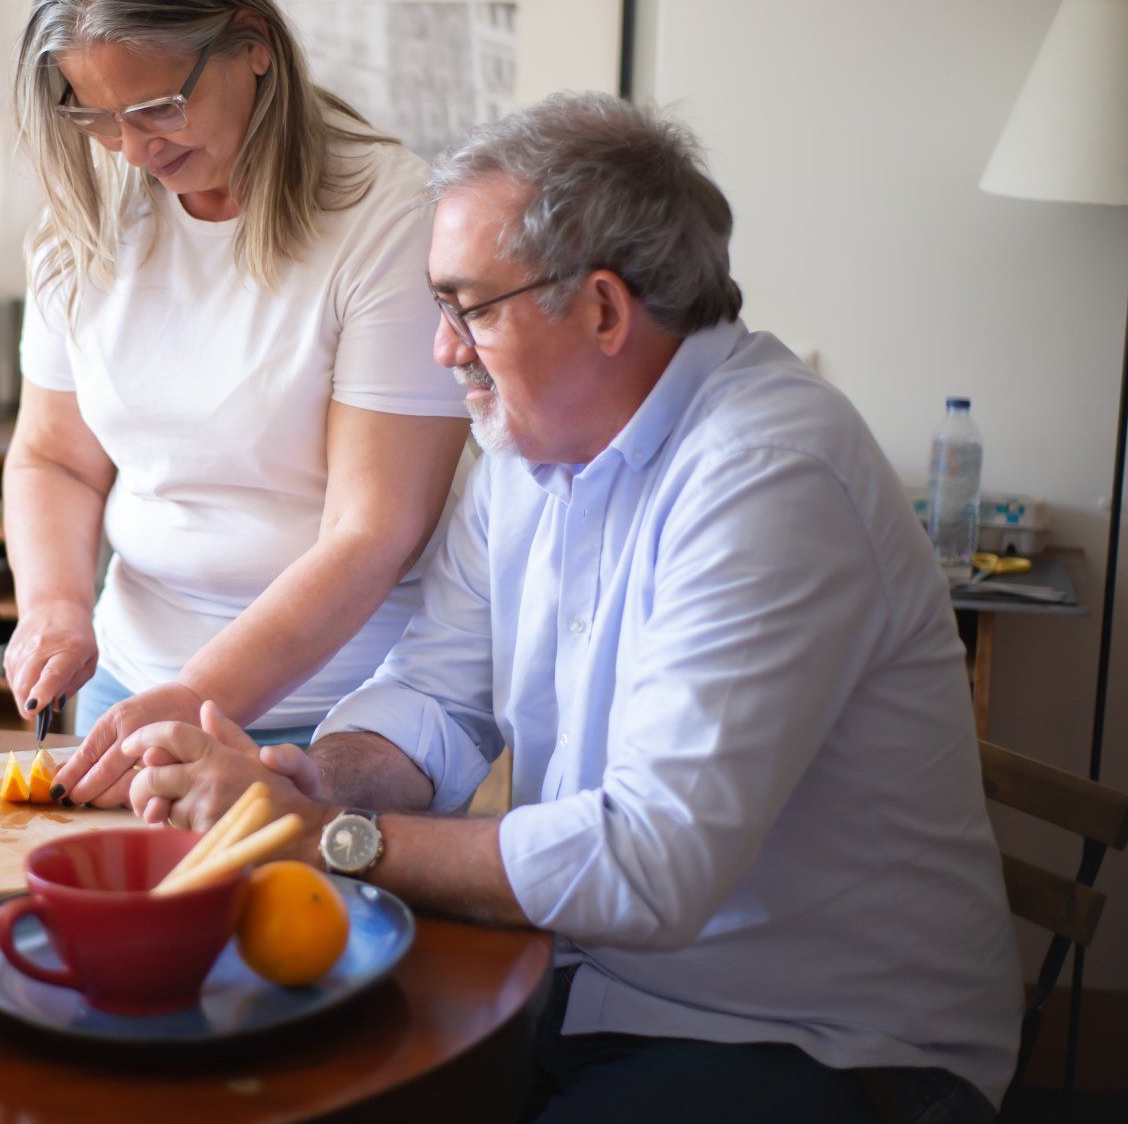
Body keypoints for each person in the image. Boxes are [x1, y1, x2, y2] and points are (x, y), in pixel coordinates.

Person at [124, 93, 1021, 1122]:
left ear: (602, 308)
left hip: (815, 1038)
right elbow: (438, 695)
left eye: (470, 307)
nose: (444, 350)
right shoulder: (523, 450)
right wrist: (314, 775)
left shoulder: (770, 477)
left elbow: (653, 861)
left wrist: (335, 833)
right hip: (585, 989)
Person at [2, 0, 469, 806]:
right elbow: (54, 454)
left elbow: (373, 531)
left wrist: (194, 700)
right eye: (94, 117)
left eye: (158, 105)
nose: (132, 148)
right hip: (130, 686)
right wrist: (54, 601)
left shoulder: (391, 219)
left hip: (339, 713)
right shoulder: (87, 214)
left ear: (252, 43)